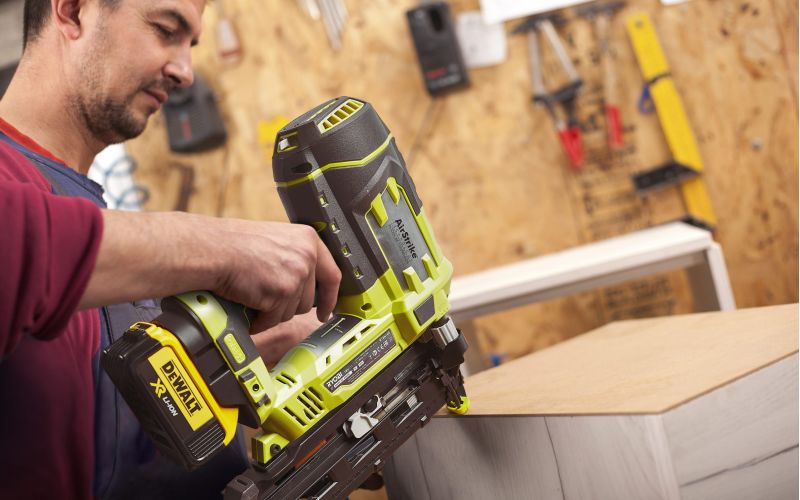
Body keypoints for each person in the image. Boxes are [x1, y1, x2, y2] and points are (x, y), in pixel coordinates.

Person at [0, 0, 342, 498]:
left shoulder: (81, 204)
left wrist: (243, 359)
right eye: (165, 29)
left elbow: (87, 428)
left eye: (191, 44)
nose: (184, 71)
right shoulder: (19, 194)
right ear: (73, 12)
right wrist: (225, 249)